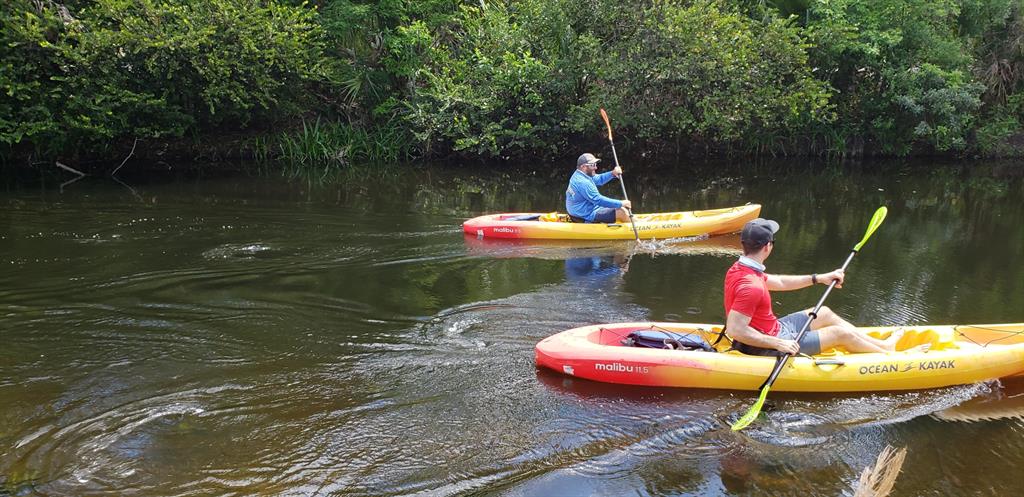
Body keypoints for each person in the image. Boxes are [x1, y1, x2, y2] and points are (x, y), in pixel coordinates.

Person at [723, 218, 906, 356]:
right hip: (766, 344)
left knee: (824, 312)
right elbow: (735, 329)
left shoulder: (740, 269)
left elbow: (779, 282)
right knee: (840, 334)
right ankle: (887, 356)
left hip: (774, 329)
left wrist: (818, 278)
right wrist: (778, 343)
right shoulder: (752, 286)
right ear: (767, 246)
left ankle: (883, 345)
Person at [565, 153, 632, 223]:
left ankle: (633, 220)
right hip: (585, 215)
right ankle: (636, 226)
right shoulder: (582, 182)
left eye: (595, 164)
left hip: (582, 210)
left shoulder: (580, 174)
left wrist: (613, 173)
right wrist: (621, 203)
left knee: (620, 208)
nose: (596, 167)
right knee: (621, 211)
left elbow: (599, 179)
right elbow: (598, 200)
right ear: (583, 166)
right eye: (592, 165)